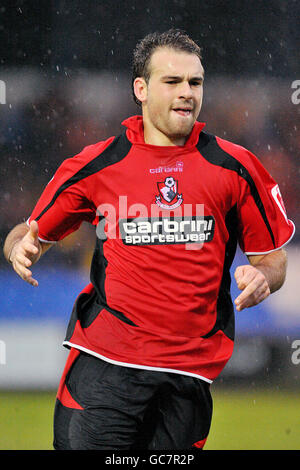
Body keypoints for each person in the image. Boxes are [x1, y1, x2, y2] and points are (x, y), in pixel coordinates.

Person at [3, 29, 295, 450]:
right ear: (140, 89)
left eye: (195, 82)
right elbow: (28, 232)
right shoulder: (96, 165)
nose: (187, 93)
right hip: (106, 366)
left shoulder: (237, 167)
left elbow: (274, 258)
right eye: (172, 81)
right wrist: (19, 247)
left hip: (189, 375)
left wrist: (266, 276)